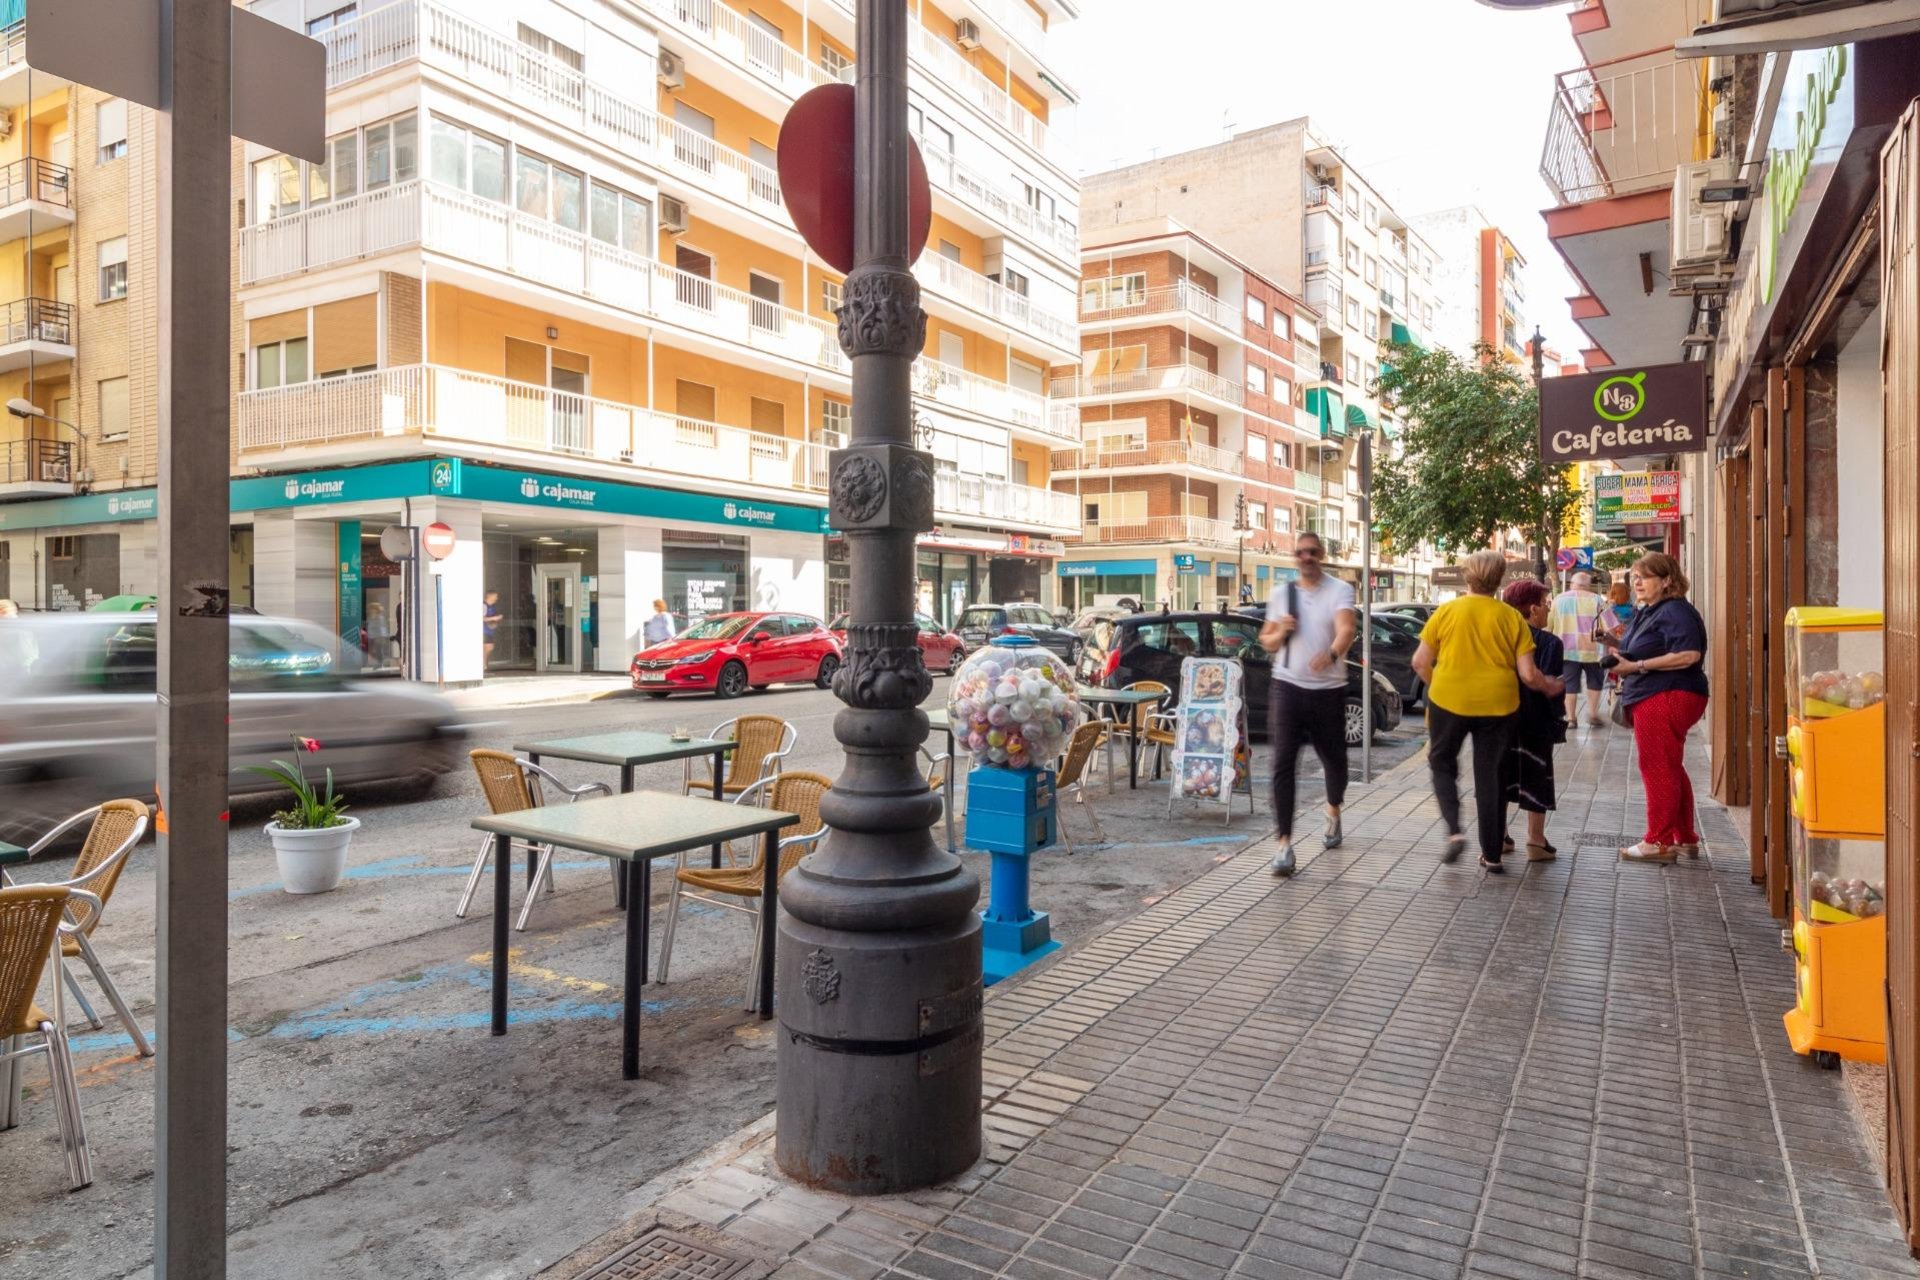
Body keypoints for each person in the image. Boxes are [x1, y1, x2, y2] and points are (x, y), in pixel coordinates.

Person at [1411, 551, 1564, 873]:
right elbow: (1528, 674)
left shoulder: (1447, 611)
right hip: (1499, 704)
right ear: (1499, 579)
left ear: (1468, 577)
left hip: (1449, 700)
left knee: (1441, 762)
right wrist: (1549, 686)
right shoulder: (1509, 617)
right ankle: (1492, 855)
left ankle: (1454, 831)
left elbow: (1420, 662)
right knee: (1491, 776)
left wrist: (1440, 686)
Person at [1258, 531, 1356, 878]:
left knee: (1336, 762)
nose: (1307, 557)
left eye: (1313, 552)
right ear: (1294, 557)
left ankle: (1333, 811)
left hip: (1329, 690)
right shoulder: (1282, 594)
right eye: (1301, 553)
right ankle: (1283, 845)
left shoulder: (1340, 590)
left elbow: (1347, 629)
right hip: (1287, 688)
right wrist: (1281, 631)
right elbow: (1266, 642)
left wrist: (1330, 654)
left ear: (1322, 554)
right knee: (1282, 764)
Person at [1611, 553, 1709, 863]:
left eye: (1645, 576)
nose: (1637, 582)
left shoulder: (1675, 610)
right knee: (1670, 766)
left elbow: (1689, 654)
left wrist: (1637, 665)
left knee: (1657, 767)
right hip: (1661, 693)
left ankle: (1658, 841)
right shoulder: (1652, 611)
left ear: (1666, 580)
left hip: (1666, 694)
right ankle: (1684, 837)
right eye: (1635, 576)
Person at [1500, 580, 1566, 861]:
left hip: (1500, 718)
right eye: (1546, 603)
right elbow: (1549, 684)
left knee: (1499, 776)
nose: (1548, 608)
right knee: (1537, 774)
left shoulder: (1498, 637)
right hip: (1536, 721)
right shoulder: (1549, 642)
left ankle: (1498, 837)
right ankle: (1535, 840)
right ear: (1532, 607)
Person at [1551, 571, 1606, 728]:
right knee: (1595, 682)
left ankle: (1571, 718)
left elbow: (1549, 625)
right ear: (1588, 585)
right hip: (1593, 650)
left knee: (1569, 684)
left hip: (1567, 649)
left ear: (1572, 584)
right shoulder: (1597, 600)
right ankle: (1593, 714)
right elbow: (1608, 624)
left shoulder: (1559, 600)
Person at [482, 590, 503, 664]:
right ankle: (483, 664)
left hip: (489, 631)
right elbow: (482, 618)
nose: (497, 598)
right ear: (490, 596)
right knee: (489, 647)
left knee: (489, 647)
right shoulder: (484, 606)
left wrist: (496, 621)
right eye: (495, 596)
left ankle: (484, 664)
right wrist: (494, 618)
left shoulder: (492, 606)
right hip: (483, 631)